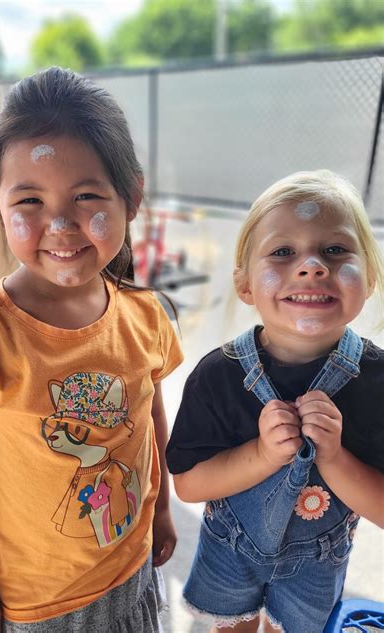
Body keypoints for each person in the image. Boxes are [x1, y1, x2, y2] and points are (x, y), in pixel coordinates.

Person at [0, 67, 183, 632]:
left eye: (86, 196)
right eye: (30, 199)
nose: (60, 223)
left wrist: (161, 506)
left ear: (131, 197)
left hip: (131, 566)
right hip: (38, 605)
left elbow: (150, 418)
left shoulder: (145, 315)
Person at [166, 170, 384, 633]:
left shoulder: (378, 383)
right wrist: (263, 455)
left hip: (318, 563)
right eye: (283, 252)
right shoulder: (217, 377)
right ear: (245, 285)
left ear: (369, 278)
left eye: (335, 249)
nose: (312, 266)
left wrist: (334, 458)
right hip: (230, 551)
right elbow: (188, 484)